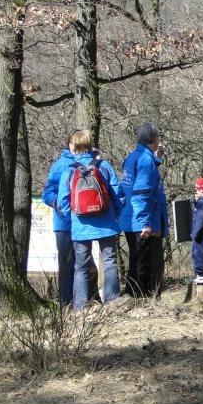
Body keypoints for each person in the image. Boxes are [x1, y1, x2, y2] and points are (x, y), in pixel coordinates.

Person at [57, 130, 125, 309]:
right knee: (109, 262)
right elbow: (117, 193)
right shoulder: (103, 166)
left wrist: (71, 217)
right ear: (90, 144)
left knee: (81, 266)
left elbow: (63, 200)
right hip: (106, 223)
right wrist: (116, 214)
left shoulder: (69, 170)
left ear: (74, 146)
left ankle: (80, 307)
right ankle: (112, 303)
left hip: (81, 225)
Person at [41, 133, 99, 306]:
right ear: (69, 144)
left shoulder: (92, 162)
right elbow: (47, 193)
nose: (75, 146)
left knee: (87, 265)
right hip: (64, 223)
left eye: (77, 142)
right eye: (72, 143)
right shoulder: (60, 165)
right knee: (67, 265)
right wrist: (56, 203)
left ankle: (90, 301)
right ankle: (66, 304)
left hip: (84, 222)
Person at [119, 122, 168, 298]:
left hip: (129, 218)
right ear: (153, 139)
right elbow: (141, 193)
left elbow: (136, 181)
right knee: (147, 266)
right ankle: (143, 301)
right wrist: (145, 222)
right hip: (142, 221)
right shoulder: (145, 161)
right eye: (158, 137)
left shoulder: (133, 157)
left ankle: (133, 297)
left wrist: (157, 158)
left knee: (135, 262)